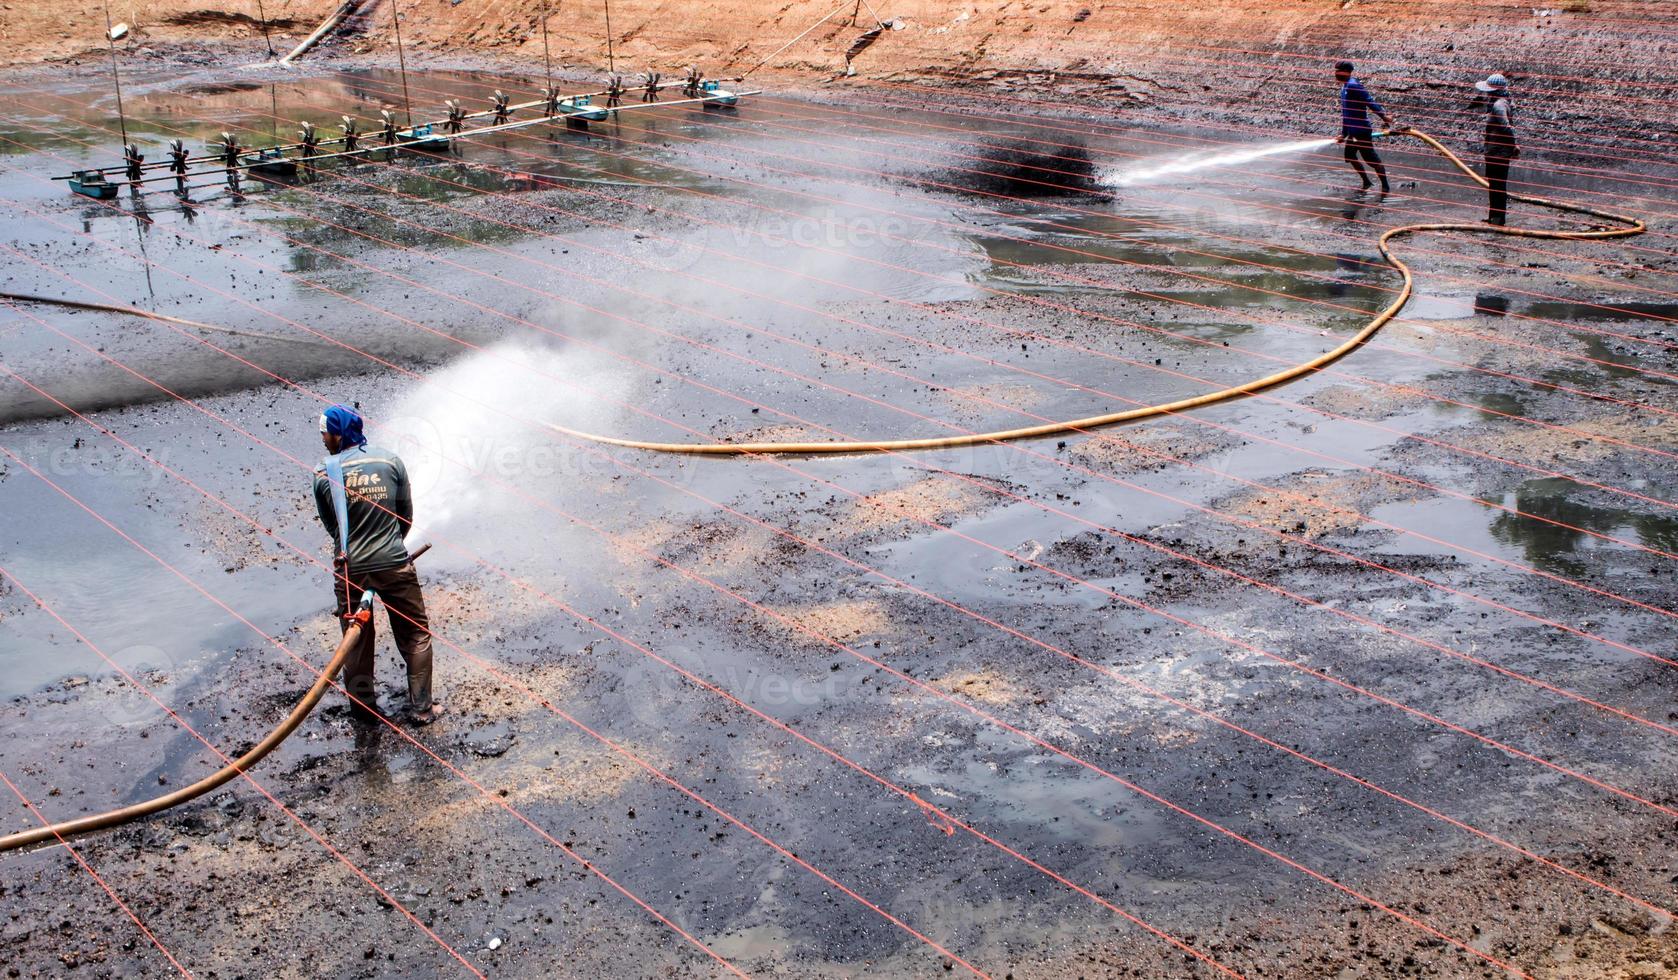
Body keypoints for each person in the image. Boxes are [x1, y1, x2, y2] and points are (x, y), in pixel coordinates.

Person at [313, 404, 439, 725]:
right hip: (394, 564)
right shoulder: (390, 461)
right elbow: (405, 516)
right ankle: (422, 709)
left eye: (325, 432)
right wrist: (389, 546)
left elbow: (335, 528)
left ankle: (364, 715)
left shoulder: (323, 473)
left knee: (355, 642)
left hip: (350, 569)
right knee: (416, 635)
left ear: (339, 433)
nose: (323, 438)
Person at [1333, 60, 1396, 193]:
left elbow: (1369, 102)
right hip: (1352, 131)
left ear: (1347, 72)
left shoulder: (1354, 85)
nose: (1336, 73)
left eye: (1339, 71)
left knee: (1372, 160)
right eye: (1336, 71)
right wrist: (1343, 134)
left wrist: (1384, 117)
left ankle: (1385, 188)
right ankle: (1367, 182)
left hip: (1361, 131)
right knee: (1350, 157)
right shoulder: (1344, 87)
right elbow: (1346, 113)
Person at [1476, 73, 1519, 226]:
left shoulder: (1498, 105)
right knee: (1495, 185)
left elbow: (1507, 127)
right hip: (1496, 152)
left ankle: (1497, 220)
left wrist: (1514, 145)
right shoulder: (1502, 103)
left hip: (1498, 153)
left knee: (1497, 186)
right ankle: (1494, 217)